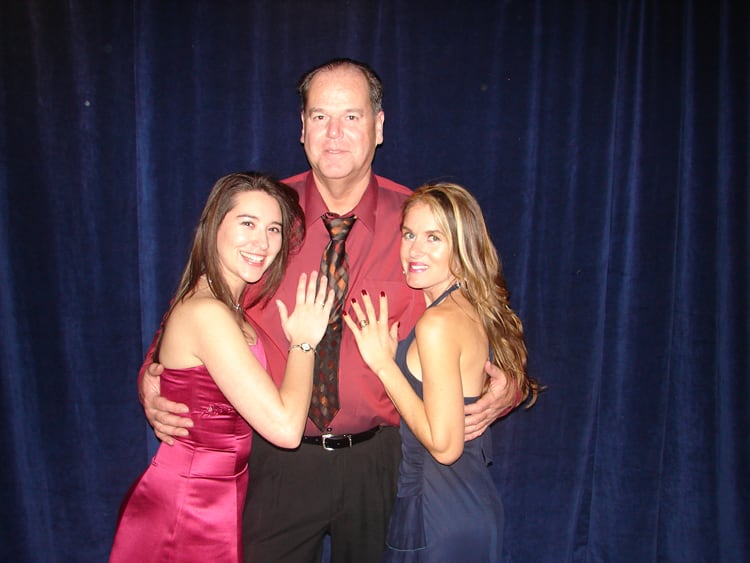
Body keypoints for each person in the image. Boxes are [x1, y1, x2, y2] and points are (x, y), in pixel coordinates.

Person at [139, 59, 520, 563]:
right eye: (320, 117)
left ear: (379, 126)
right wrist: (155, 376)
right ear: (302, 128)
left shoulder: (418, 225)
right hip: (278, 461)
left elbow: (479, 306)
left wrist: (509, 382)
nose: (334, 133)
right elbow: (196, 304)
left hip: (379, 462)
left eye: (351, 117)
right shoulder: (264, 217)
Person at [111, 172, 334, 562]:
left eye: (273, 229)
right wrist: (304, 342)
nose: (262, 242)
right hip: (187, 505)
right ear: (215, 225)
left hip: (216, 500)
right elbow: (285, 429)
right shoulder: (208, 312)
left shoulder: (227, 306)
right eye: (247, 223)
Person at [344, 182, 540, 561]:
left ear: (463, 247)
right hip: (462, 505)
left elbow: (445, 447)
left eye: (434, 238)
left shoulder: (438, 323)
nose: (415, 250)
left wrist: (384, 365)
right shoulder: (467, 307)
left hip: (438, 512)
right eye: (409, 235)